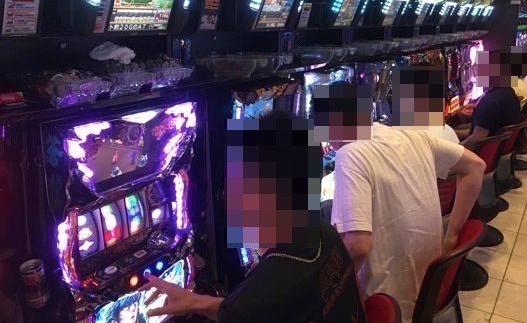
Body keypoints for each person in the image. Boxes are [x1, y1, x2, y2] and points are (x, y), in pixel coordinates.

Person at [141, 113, 367, 323]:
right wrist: (198, 302)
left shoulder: (252, 302)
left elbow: (250, 309)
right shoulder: (325, 233)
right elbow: (272, 307)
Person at [326, 82, 485, 322]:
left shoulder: (350, 154)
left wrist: (330, 291)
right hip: (431, 287)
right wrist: (452, 234)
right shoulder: (414, 136)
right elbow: (476, 166)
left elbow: (358, 246)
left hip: (388, 304)